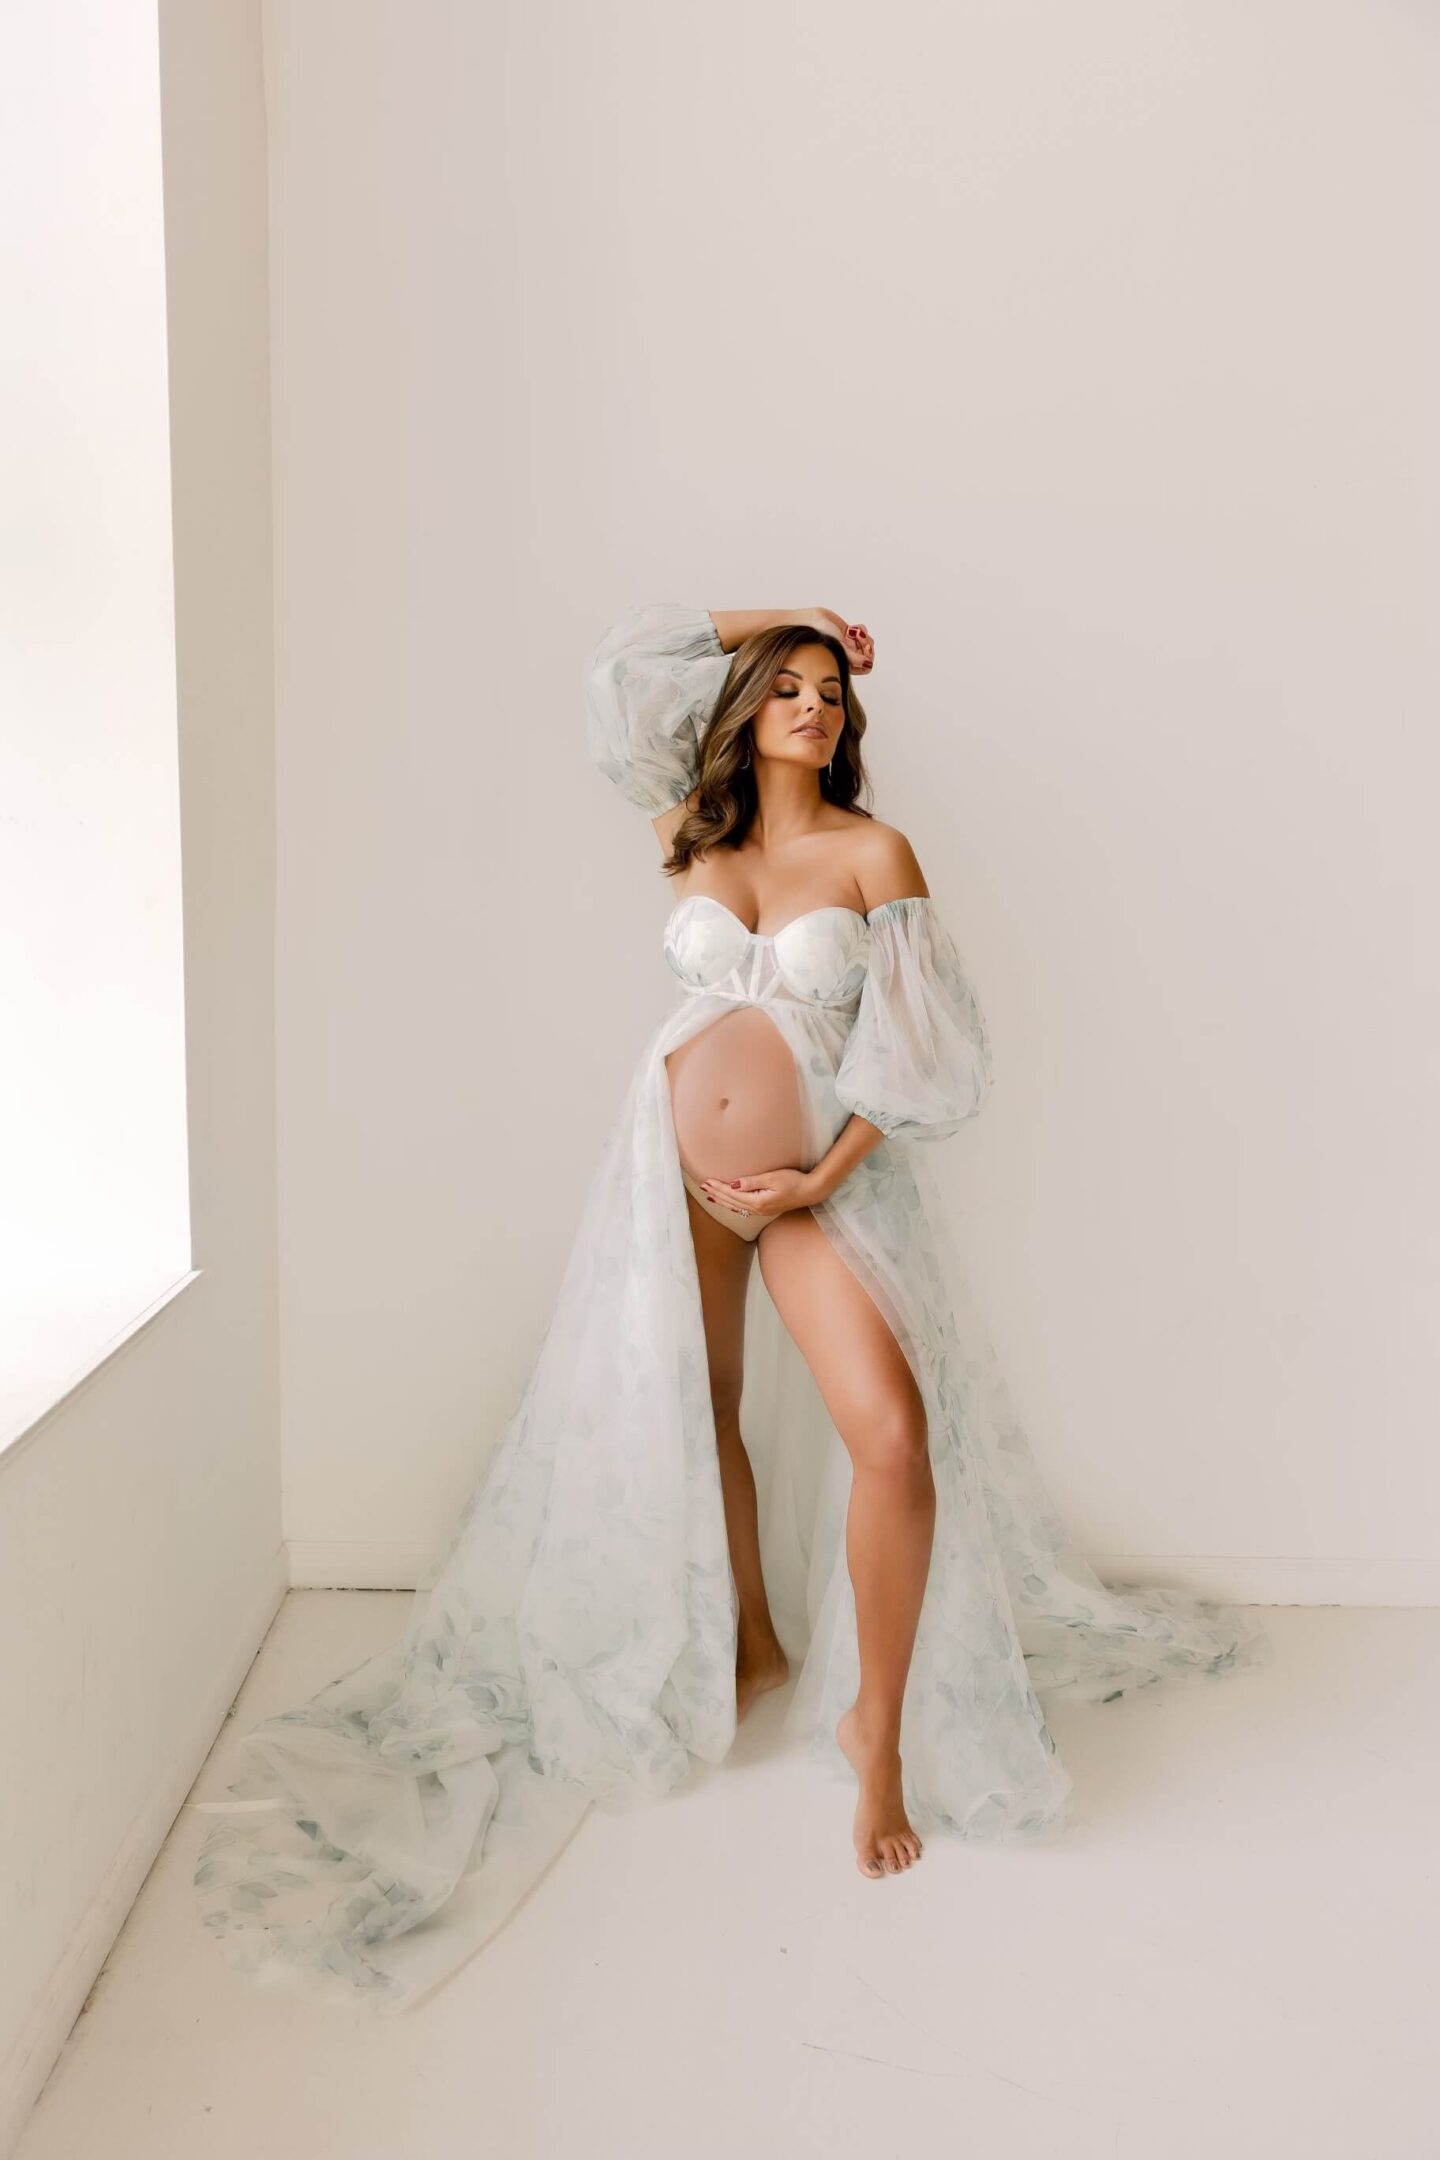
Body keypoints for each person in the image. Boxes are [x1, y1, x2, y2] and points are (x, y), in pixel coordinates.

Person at [190, 602, 1271, 2012]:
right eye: (791, 689)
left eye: (830, 692)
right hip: (671, 1174)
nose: (814, 706)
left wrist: (817, 1173)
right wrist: (792, 614)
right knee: (698, 1405)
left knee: (891, 1434)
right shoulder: (692, 841)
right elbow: (616, 678)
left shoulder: (875, 853)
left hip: (819, 1184)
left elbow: (928, 1049)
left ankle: (876, 1726)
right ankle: (753, 1639)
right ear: (751, 709)